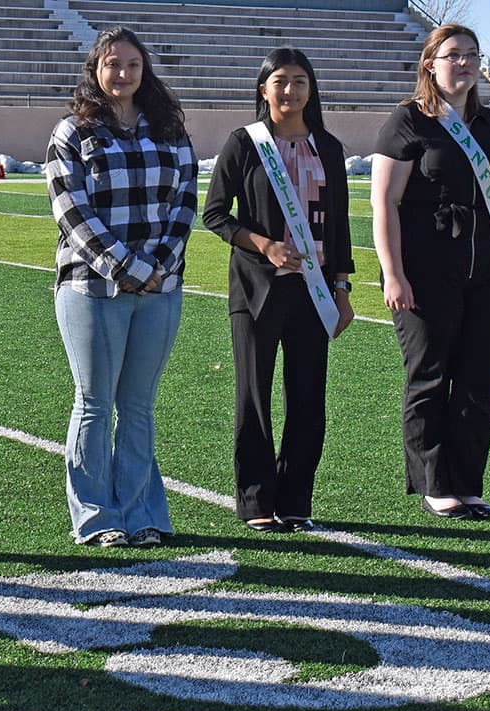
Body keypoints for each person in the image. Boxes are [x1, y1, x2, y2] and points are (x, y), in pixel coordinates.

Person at [370, 24, 490, 521]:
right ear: (430, 64)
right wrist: (392, 274)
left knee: (481, 380)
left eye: (471, 56)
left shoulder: (489, 123)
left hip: (485, 271)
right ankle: (435, 483)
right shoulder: (407, 121)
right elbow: (384, 203)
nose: (463, 63)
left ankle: (468, 481)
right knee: (431, 377)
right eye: (452, 55)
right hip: (425, 270)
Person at [46, 27, 197, 547]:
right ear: (96, 70)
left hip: (161, 286)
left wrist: (158, 266)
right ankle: (95, 516)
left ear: (144, 70)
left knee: (138, 404)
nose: (123, 74)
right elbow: (72, 213)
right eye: (113, 64)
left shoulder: (170, 130)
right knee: (94, 401)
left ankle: (142, 514)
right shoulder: (72, 131)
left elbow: (185, 202)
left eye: (133, 65)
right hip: (92, 287)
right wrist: (129, 268)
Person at [202, 48, 354, 533]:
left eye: (300, 81)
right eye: (281, 81)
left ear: (312, 89)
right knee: (255, 396)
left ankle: (295, 501)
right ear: (264, 89)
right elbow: (215, 214)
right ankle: (255, 502)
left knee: (308, 398)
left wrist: (343, 287)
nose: (290, 91)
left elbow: (341, 225)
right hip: (256, 291)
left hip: (315, 292)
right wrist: (265, 245)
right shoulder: (244, 143)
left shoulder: (328, 146)